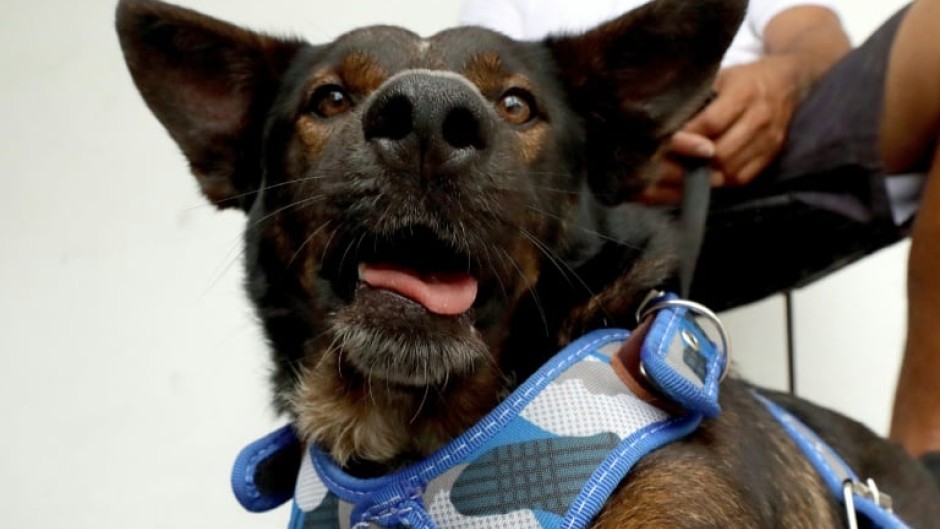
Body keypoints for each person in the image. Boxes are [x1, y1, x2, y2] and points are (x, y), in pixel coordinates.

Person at [459, 0, 940, 463]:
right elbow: (495, 128)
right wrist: (626, 148)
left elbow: (819, 38)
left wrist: (785, 81)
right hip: (609, 198)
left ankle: (926, 461)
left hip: (777, 143)